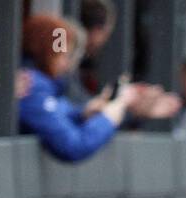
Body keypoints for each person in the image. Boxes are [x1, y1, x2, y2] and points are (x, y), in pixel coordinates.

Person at [19, 13, 139, 161]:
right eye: (61, 55)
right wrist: (109, 118)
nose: (67, 64)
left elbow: (55, 112)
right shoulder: (30, 84)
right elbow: (73, 146)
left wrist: (83, 112)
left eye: (68, 56)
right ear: (44, 52)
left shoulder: (43, 84)